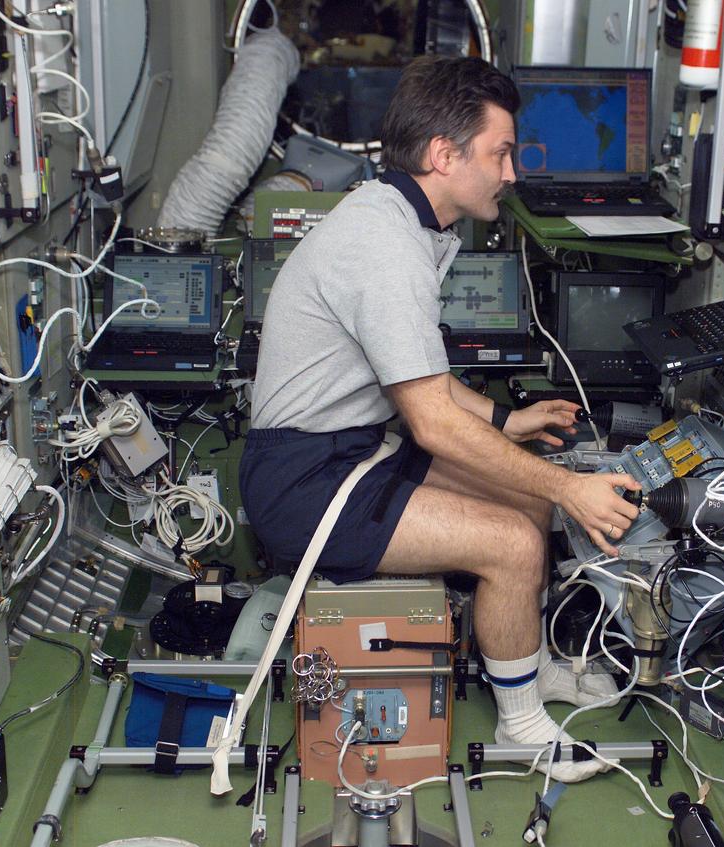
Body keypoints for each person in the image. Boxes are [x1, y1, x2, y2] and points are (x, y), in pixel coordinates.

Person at [239, 56, 641, 782]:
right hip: (304, 481)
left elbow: (419, 375)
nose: (511, 173)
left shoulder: (399, 219)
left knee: (521, 498)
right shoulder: (386, 246)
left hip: (348, 448)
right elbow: (429, 423)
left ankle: (531, 666)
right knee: (517, 540)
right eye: (501, 153)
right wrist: (568, 485)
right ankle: (523, 728)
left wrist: (504, 420)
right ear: (442, 155)